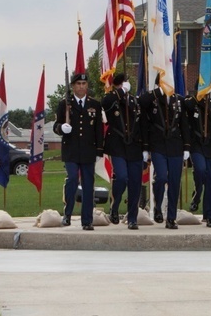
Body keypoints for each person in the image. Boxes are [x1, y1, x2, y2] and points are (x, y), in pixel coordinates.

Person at [53, 72, 104, 230]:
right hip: (71, 150)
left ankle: (87, 220)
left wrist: (99, 151)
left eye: (84, 84)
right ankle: (67, 213)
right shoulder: (65, 104)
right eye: (78, 84)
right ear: (73, 86)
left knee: (89, 185)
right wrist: (62, 128)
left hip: (88, 150)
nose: (81, 86)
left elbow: (98, 129)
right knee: (73, 179)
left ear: (87, 85)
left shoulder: (94, 105)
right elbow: (56, 126)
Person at [139, 76, 191, 229]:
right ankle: (158, 205)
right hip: (158, 144)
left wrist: (187, 147)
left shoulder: (179, 100)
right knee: (161, 177)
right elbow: (141, 102)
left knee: (175, 182)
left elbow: (184, 124)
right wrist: (158, 91)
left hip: (176, 145)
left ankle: (171, 218)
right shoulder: (153, 99)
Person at [101, 73, 144, 229]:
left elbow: (140, 124)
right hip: (118, 145)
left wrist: (145, 148)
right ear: (117, 85)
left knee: (135, 183)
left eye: (126, 84)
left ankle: (132, 218)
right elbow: (105, 103)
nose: (125, 87)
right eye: (122, 84)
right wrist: (120, 92)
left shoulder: (134, 101)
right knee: (122, 177)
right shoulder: (111, 98)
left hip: (134, 145)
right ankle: (115, 204)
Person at [184, 90, 211, 227]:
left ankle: (209, 215)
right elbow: (185, 106)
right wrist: (196, 98)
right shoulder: (191, 103)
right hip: (196, 145)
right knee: (200, 170)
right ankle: (197, 194)